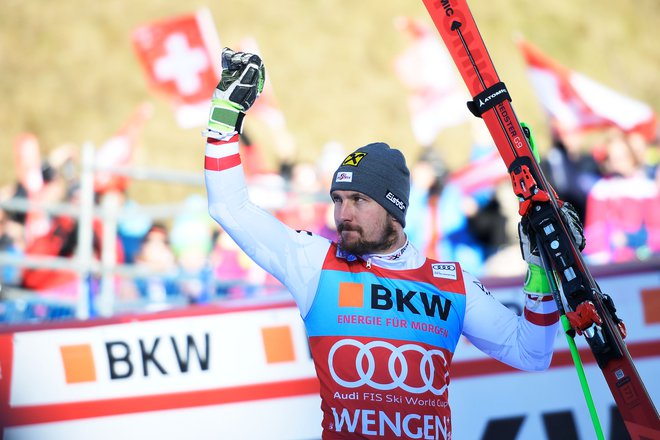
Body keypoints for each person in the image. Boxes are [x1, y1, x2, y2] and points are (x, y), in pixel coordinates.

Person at [203, 49, 583, 439]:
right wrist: (223, 121)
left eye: (358, 200)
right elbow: (229, 206)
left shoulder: (450, 283)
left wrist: (540, 271)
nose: (342, 213)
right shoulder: (315, 263)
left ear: (394, 210)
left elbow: (531, 353)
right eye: (337, 200)